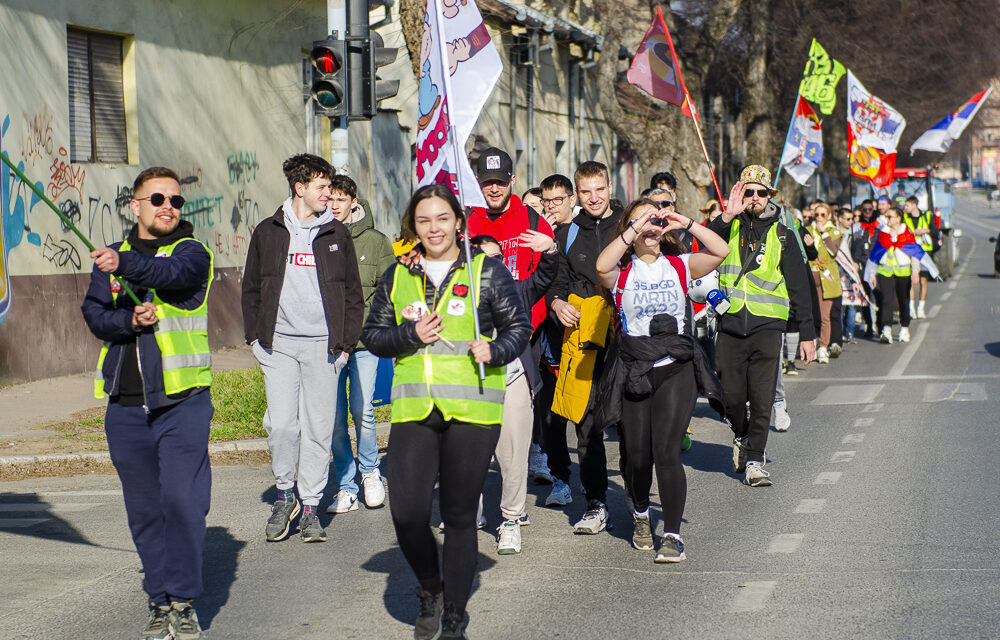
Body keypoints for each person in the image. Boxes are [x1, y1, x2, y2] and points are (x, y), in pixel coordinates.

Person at [361, 184, 530, 640]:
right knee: (409, 514)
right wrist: (409, 334)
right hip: (415, 408)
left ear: (459, 222)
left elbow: (520, 326)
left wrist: (495, 350)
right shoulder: (399, 275)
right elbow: (373, 336)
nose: (433, 228)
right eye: (423, 220)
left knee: (458, 514)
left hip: (473, 409)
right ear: (412, 228)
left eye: (441, 218)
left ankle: (455, 612)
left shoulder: (487, 271)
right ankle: (431, 588)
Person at [82, 166, 214, 639]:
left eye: (176, 201)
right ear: (134, 205)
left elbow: (170, 275)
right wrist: (130, 324)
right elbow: (94, 315)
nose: (167, 207)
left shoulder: (191, 252)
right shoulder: (111, 258)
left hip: (183, 401)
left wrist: (125, 267)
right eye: (156, 198)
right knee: (144, 511)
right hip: (125, 405)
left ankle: (183, 598)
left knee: (182, 500)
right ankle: (159, 600)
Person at [595, 199, 728, 562]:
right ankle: (640, 513)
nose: (650, 229)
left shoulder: (679, 265)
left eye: (655, 222)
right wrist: (635, 228)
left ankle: (672, 535)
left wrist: (681, 221)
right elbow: (601, 265)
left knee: (666, 451)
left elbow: (720, 250)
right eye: (641, 223)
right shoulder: (621, 273)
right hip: (636, 368)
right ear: (629, 229)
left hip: (676, 366)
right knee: (638, 457)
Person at [242, 154, 363, 543]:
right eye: (322, 187)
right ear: (300, 188)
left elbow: (353, 296)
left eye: (329, 187)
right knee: (280, 425)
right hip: (278, 345)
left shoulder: (336, 234)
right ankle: (284, 495)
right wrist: (255, 339)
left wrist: (344, 346)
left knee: (317, 427)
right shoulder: (269, 231)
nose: (329, 194)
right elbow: (251, 289)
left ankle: (309, 506)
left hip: (324, 349)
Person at [467, 147, 557, 554]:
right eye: (487, 183)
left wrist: (551, 250)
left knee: (513, 445)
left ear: (513, 181)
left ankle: (512, 517)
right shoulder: (465, 221)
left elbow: (546, 278)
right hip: (470, 357)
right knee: (468, 443)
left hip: (520, 350)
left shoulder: (532, 223)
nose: (494, 188)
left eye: (500, 181)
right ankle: (469, 510)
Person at [708, 165, 816, 487]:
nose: (755, 198)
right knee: (730, 395)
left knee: (762, 395)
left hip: (768, 325)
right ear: (739, 193)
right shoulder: (728, 226)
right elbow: (697, 248)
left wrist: (808, 334)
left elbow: (800, 285)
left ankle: (756, 459)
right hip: (729, 324)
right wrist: (727, 216)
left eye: (761, 192)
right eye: (748, 191)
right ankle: (741, 434)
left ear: (770, 196)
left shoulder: (782, 233)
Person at [547, 160, 623, 532]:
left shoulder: (628, 224)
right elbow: (557, 281)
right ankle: (596, 503)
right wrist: (557, 302)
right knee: (586, 421)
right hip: (584, 337)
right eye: (586, 191)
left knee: (630, 422)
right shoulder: (569, 232)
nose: (594, 198)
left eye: (600, 189)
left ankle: (638, 498)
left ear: (610, 188)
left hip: (626, 337)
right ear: (577, 194)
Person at [324, 175, 396, 513]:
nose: (334, 205)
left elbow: (388, 290)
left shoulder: (377, 242)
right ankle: (346, 484)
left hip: (365, 343)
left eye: (340, 199)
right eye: (330, 199)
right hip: (328, 345)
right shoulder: (319, 236)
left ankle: (370, 472)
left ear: (354, 201)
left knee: (362, 411)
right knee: (335, 418)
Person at [867, 206, 918, 344]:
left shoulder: (907, 233)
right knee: (886, 300)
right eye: (886, 217)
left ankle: (905, 327)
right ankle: (886, 329)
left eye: (890, 217)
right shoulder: (883, 232)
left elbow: (914, 254)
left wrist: (915, 271)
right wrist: (872, 272)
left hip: (903, 271)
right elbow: (875, 253)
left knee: (903, 300)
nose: (887, 219)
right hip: (885, 270)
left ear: (898, 218)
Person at [806, 203, 843, 363]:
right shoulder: (808, 230)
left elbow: (833, 251)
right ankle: (812, 345)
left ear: (828, 216)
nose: (819, 218)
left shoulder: (834, 231)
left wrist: (823, 234)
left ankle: (823, 347)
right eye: (817, 215)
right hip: (812, 273)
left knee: (824, 315)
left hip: (827, 277)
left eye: (823, 215)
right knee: (812, 314)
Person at [902, 196, 936, 319]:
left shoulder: (926, 216)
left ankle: (921, 308)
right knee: (911, 280)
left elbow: (935, 231)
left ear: (914, 205)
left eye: (907, 205)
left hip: (924, 253)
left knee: (923, 281)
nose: (905, 208)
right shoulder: (904, 217)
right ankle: (911, 308)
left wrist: (924, 230)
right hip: (910, 252)